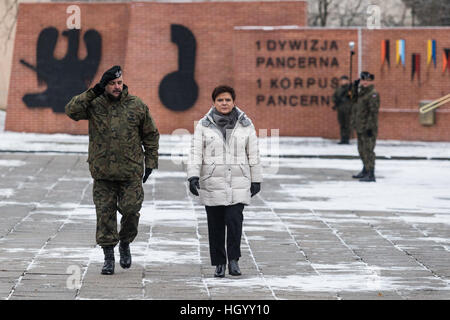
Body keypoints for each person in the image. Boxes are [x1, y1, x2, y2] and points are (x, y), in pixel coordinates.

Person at [65, 65, 159, 275]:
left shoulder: (136, 105)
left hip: (131, 172)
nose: (117, 87)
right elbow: (71, 110)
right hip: (103, 173)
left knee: (131, 210)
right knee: (105, 215)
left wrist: (151, 162)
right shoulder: (94, 104)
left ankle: (125, 242)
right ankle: (108, 256)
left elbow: (151, 135)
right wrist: (94, 91)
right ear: (104, 85)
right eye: (112, 84)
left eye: (119, 83)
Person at [187, 85, 262, 278]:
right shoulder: (203, 125)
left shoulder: (246, 124)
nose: (224, 103)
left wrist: (256, 179)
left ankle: (234, 260)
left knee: (234, 221)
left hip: (238, 181)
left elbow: (253, 154)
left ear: (234, 101)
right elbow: (196, 153)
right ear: (214, 102)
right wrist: (193, 176)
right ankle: (219, 263)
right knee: (216, 225)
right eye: (220, 100)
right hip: (212, 181)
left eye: (228, 99)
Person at [350, 71, 380, 182]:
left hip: (368, 128)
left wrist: (369, 127)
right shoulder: (361, 93)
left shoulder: (372, 94)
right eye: (363, 80)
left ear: (371, 81)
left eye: (368, 80)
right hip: (360, 126)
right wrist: (353, 87)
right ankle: (365, 170)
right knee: (361, 150)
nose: (365, 82)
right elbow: (352, 100)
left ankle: (371, 174)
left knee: (368, 150)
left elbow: (373, 113)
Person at [332, 75, 353, 144]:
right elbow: (334, 97)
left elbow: (352, 97)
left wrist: (348, 95)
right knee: (342, 124)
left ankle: (346, 139)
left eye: (345, 80)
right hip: (340, 109)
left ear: (347, 81)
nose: (343, 82)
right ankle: (342, 139)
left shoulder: (350, 89)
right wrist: (336, 101)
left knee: (347, 124)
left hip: (347, 109)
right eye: (342, 80)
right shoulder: (338, 89)